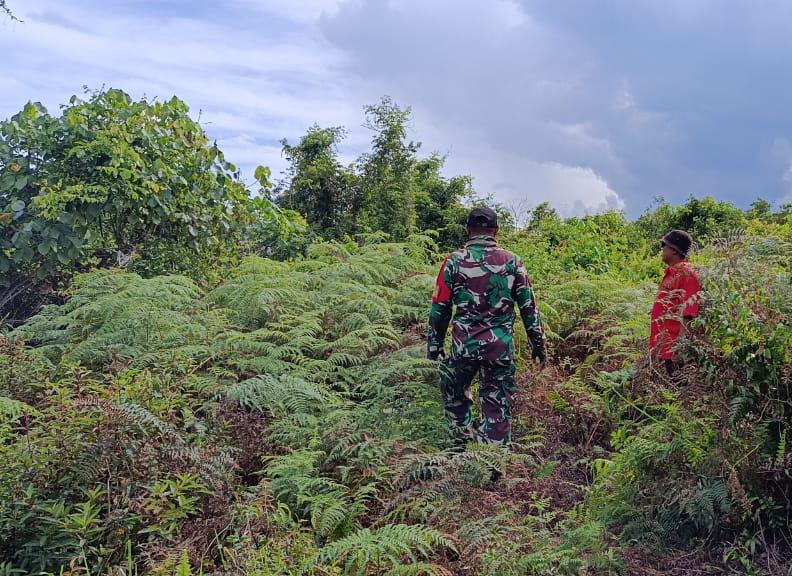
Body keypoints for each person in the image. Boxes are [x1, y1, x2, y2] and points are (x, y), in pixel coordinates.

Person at [427, 207, 547, 447]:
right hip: (499, 350)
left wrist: (434, 344)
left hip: (464, 348)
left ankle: (459, 455)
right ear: (496, 231)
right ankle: (491, 468)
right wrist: (538, 344)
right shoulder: (513, 262)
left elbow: (439, 307)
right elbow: (529, 308)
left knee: (455, 399)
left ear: (468, 230)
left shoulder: (453, 262)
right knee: (497, 408)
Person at [650, 229, 701, 376]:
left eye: (664, 246)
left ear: (673, 250)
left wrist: (680, 348)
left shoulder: (688, 274)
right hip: (661, 347)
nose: (662, 249)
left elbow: (689, 311)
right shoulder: (670, 274)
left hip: (673, 351)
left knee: (674, 393)